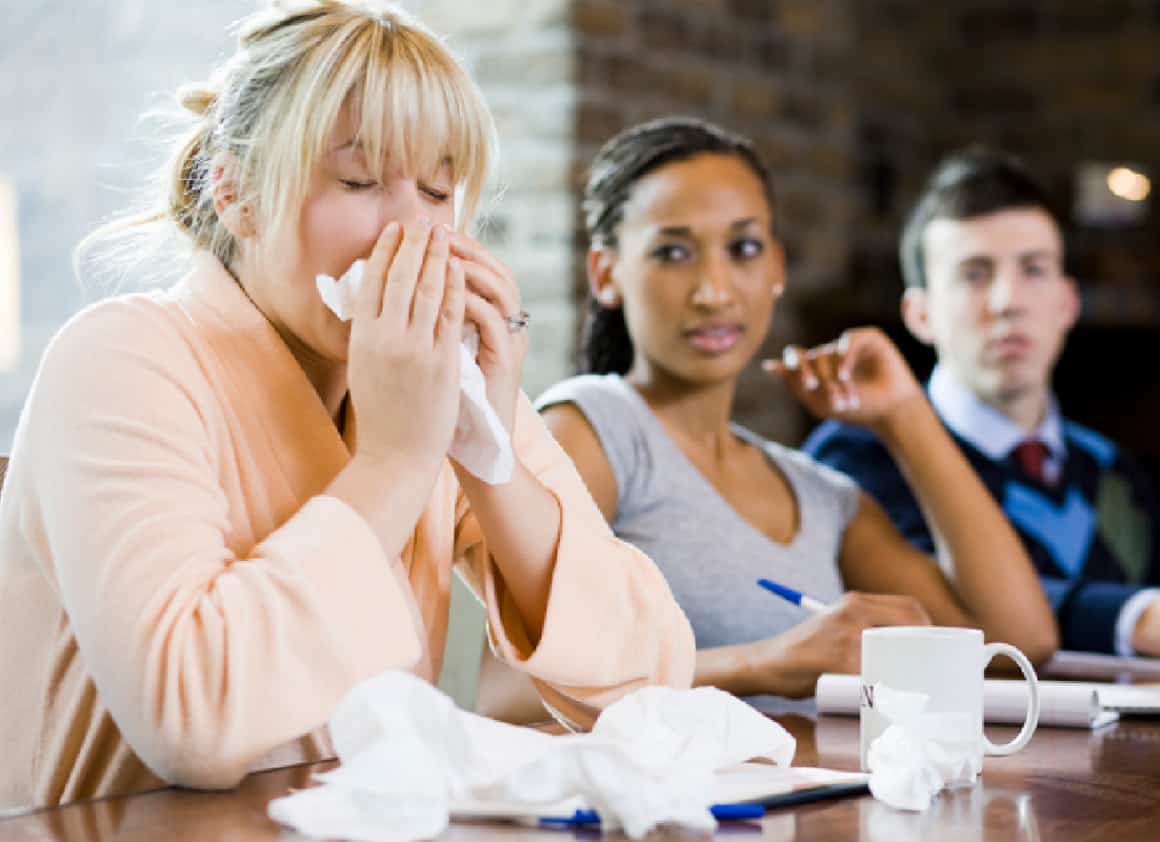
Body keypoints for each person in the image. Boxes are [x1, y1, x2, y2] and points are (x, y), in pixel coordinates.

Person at [0, 0, 694, 811]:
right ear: (236, 195)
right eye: (360, 181)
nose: (410, 229)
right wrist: (397, 459)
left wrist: (489, 446)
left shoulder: (432, 381)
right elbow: (192, 717)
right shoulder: (121, 357)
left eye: (438, 190)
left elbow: (651, 683)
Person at [529, 117, 1056, 709]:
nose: (715, 291)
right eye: (673, 252)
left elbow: (1018, 647)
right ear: (607, 274)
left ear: (776, 267)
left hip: (824, 801)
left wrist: (905, 416)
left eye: (743, 249)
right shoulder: (593, 430)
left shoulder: (818, 494)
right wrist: (762, 663)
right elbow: (511, 696)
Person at [805, 147, 1160, 657]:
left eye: (1033, 270)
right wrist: (1137, 618)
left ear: (1067, 302)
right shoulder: (857, 459)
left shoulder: (1114, 472)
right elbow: (942, 610)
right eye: (974, 274)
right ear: (920, 314)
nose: (1007, 301)